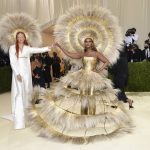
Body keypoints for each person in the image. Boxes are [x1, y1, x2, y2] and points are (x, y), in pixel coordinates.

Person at [28, 38, 132, 142]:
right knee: (83, 98)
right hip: (82, 77)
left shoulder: (96, 53)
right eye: (86, 42)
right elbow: (69, 54)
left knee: (91, 97)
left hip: (93, 78)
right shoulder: (82, 54)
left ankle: (91, 121)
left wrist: (98, 70)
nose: (87, 43)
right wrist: (60, 47)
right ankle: (84, 121)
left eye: (89, 42)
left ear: (92, 43)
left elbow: (106, 62)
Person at [9, 31, 52, 129]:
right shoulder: (12, 48)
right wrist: (17, 73)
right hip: (18, 74)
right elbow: (13, 61)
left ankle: (27, 115)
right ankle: (19, 121)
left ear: (24, 38)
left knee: (27, 92)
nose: (20, 38)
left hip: (27, 73)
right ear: (16, 38)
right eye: (18, 37)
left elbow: (37, 50)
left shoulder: (27, 48)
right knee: (20, 93)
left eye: (22, 37)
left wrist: (48, 48)